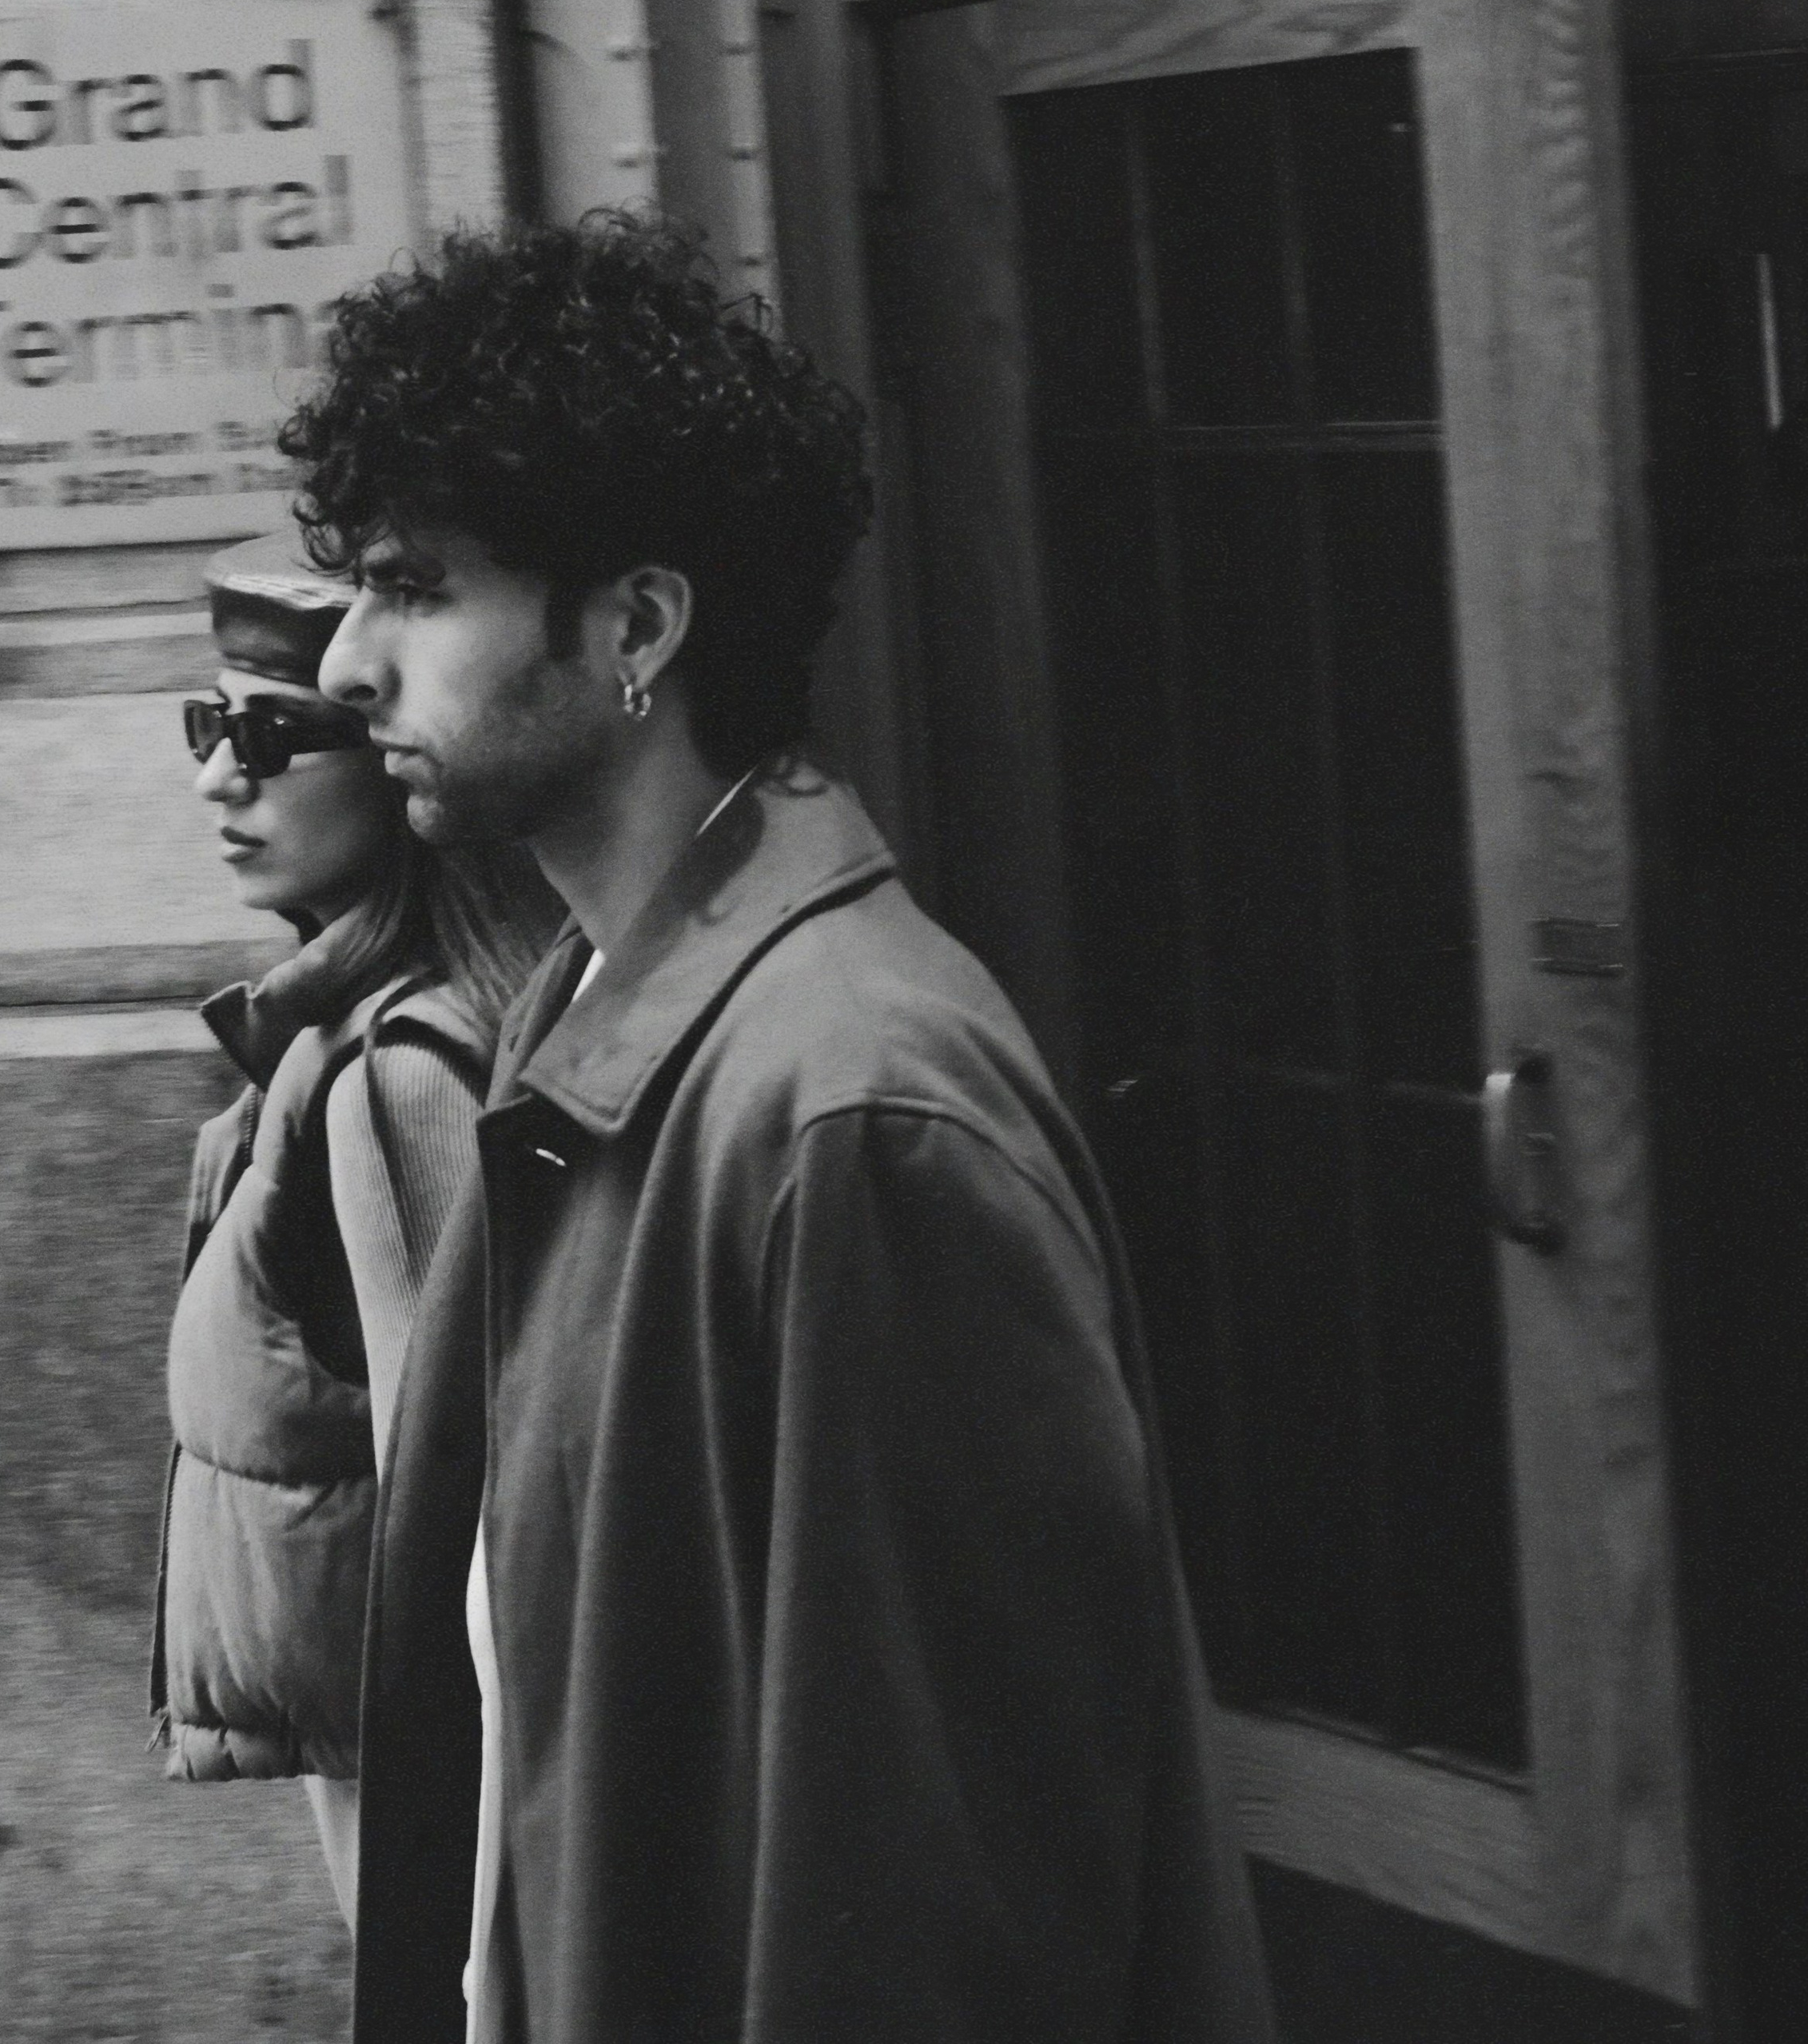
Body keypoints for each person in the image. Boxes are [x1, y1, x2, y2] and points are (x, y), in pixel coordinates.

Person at [279, 210, 1278, 2044]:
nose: (346, 665)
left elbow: (947, 1908)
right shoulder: (599, 1018)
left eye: (415, 588)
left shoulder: (852, 1112)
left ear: (640, 624)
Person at [152, 532, 560, 1927]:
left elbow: (472, 1524)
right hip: (372, 1744)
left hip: (435, 1785)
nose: (222, 774)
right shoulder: (321, 1047)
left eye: (275, 733)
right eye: (211, 725)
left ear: (395, 764)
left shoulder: (394, 1079)